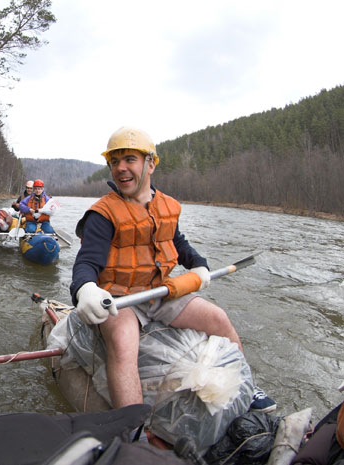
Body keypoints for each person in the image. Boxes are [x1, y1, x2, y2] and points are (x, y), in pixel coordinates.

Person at [69, 126, 276, 413]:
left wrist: (200, 265)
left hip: (159, 292)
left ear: (150, 164)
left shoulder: (167, 206)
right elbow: (86, 262)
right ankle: (131, 425)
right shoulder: (101, 214)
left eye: (129, 159)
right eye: (114, 162)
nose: (120, 168)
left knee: (217, 317)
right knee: (122, 340)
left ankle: (248, 388)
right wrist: (85, 288)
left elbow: (177, 244)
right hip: (120, 299)